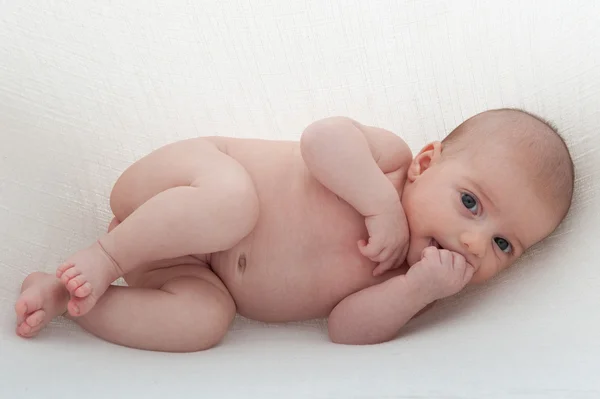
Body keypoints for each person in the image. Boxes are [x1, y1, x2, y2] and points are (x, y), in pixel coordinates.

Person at [15, 108, 574, 352]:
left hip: (186, 267)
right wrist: (379, 202)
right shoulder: (390, 163)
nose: (475, 243)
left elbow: (345, 331)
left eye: (504, 245)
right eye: (471, 203)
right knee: (233, 207)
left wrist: (419, 289)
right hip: (184, 186)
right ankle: (103, 256)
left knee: (203, 323)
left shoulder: (415, 282)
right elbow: (321, 138)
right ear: (429, 163)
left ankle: (67, 295)